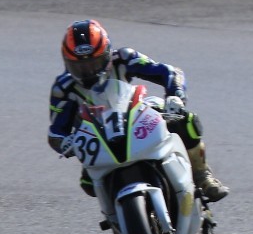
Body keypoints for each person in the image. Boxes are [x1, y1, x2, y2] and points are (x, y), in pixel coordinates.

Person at [48, 19, 229, 203]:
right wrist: (65, 142)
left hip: (133, 117)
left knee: (185, 121)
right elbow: (56, 131)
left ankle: (202, 176)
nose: (89, 71)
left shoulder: (124, 58)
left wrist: (175, 97)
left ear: (107, 54)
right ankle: (114, 212)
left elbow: (170, 72)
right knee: (88, 184)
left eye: (94, 63)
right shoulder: (63, 88)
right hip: (98, 139)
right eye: (79, 67)